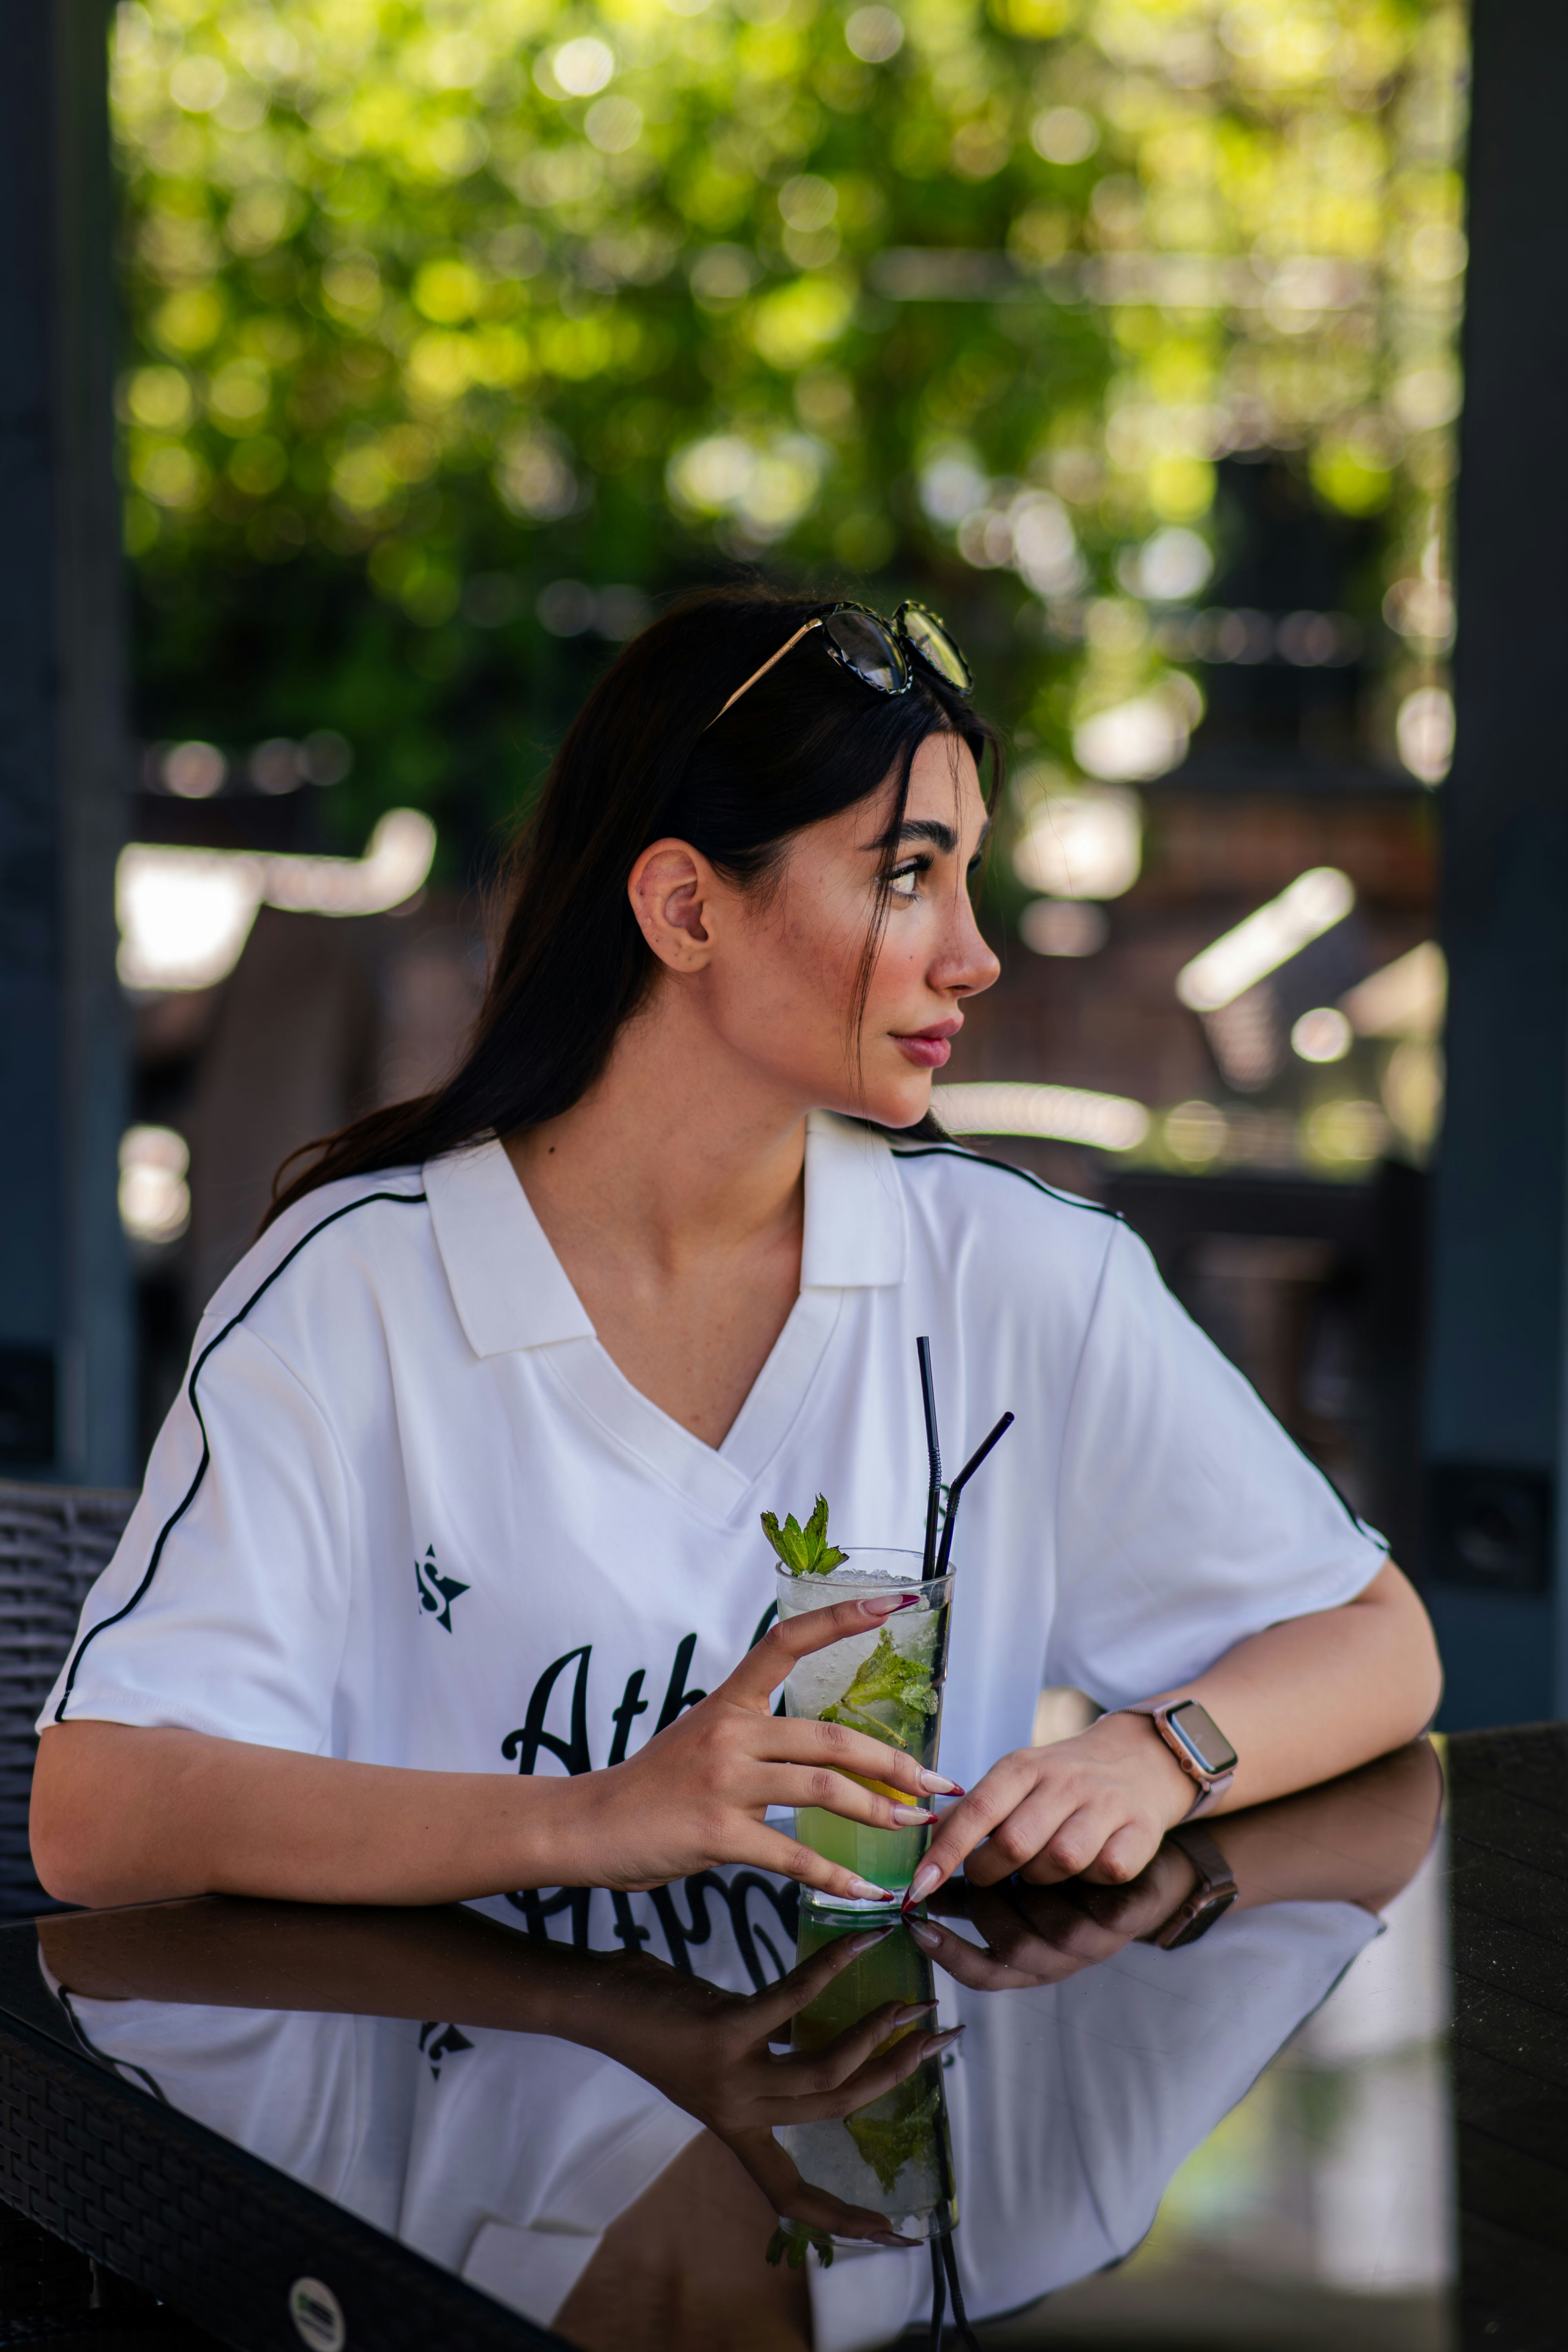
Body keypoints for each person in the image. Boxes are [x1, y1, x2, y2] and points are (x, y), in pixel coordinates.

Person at [31, 584, 1441, 1916]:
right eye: (906, 877)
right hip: (459, 2161)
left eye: (969, 880)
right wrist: (597, 1820)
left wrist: (1158, 1754)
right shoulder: (355, 1292)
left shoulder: (1024, 1280)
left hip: (872, 2145)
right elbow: (100, 1810)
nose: (974, 954)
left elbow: (1378, 1643)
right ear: (687, 908)